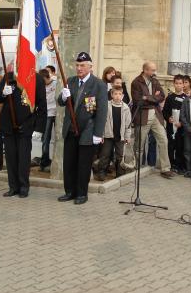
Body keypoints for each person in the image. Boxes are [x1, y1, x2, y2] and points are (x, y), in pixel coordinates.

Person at [58, 52, 108, 204]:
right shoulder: (71, 81)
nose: (79, 68)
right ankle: (70, 192)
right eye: (77, 65)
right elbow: (60, 102)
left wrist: (98, 133)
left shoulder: (98, 84)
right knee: (69, 163)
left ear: (90, 67)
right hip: (71, 129)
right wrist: (63, 96)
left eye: (82, 65)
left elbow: (102, 110)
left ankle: (81, 194)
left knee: (83, 164)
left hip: (88, 130)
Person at [0, 70, 47, 198]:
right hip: (8, 125)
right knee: (11, 158)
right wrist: (3, 92)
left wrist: (39, 128)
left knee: (23, 159)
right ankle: (13, 187)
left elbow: (42, 105)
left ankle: (24, 187)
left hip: (26, 124)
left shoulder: (36, 79)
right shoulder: (9, 76)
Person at [131, 61, 175, 179]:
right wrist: (153, 98)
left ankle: (165, 168)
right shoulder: (136, 82)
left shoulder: (155, 81)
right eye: (152, 70)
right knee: (139, 143)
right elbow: (137, 100)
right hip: (143, 115)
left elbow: (162, 96)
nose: (154, 72)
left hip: (156, 114)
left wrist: (148, 97)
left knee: (163, 140)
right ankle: (137, 167)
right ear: (145, 70)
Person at [96, 86, 133, 180]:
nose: (117, 96)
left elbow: (128, 124)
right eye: (115, 94)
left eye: (119, 94)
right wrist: (101, 135)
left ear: (123, 95)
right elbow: (102, 121)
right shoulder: (107, 106)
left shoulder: (126, 108)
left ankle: (120, 173)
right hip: (108, 135)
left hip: (120, 136)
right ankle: (102, 172)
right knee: (105, 155)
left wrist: (127, 136)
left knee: (120, 155)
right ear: (111, 95)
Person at [162, 75, 186, 173]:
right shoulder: (170, 97)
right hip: (171, 126)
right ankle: (171, 164)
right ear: (174, 84)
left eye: (180, 83)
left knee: (180, 146)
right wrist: (168, 118)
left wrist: (182, 123)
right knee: (170, 146)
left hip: (181, 127)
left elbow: (187, 114)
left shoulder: (186, 98)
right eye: (176, 83)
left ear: (183, 85)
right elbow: (165, 111)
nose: (178, 85)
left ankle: (180, 166)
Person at [39, 68, 57, 171]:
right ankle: (44, 161)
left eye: (44, 81)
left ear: (48, 77)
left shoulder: (55, 83)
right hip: (47, 114)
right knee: (45, 138)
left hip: (56, 112)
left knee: (58, 138)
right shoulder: (41, 85)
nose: (43, 83)